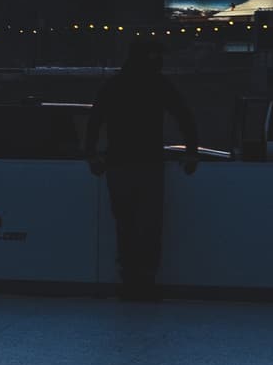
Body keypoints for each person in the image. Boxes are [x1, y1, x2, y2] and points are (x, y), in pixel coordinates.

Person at [82, 40, 199, 301]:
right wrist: (192, 151)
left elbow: (95, 121)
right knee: (149, 224)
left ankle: (129, 278)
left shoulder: (113, 85)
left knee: (125, 223)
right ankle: (146, 279)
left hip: (118, 163)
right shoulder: (158, 84)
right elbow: (184, 115)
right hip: (149, 163)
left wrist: (91, 154)